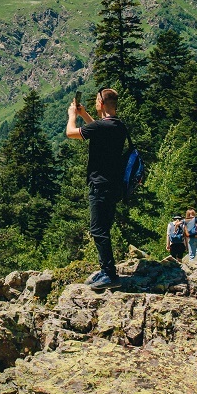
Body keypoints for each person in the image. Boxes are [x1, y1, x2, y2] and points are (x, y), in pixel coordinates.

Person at [67, 87, 128, 290]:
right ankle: (105, 271)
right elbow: (97, 129)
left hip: (100, 185)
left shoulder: (103, 127)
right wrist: (84, 114)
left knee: (98, 230)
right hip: (114, 186)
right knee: (104, 228)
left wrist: (72, 116)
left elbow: (71, 133)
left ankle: (109, 274)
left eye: (96, 100)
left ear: (101, 103)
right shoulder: (118, 126)